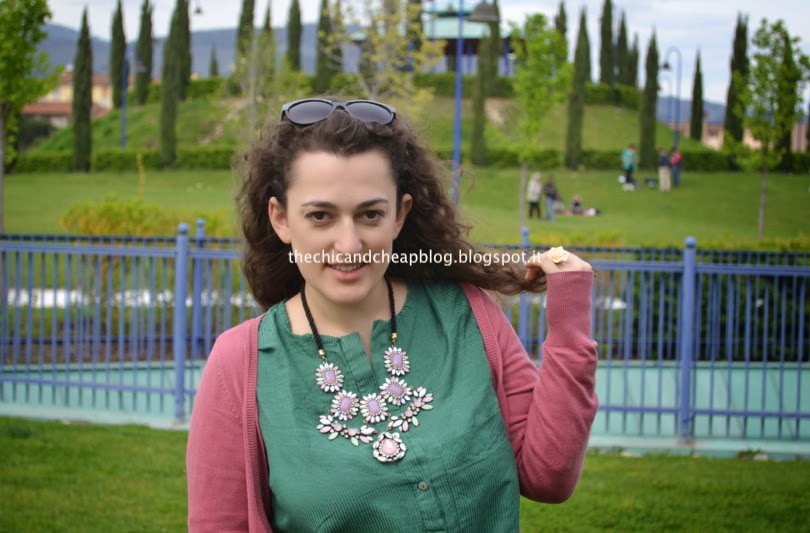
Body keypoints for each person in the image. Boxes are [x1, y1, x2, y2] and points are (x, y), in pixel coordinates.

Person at [186, 97, 598, 532]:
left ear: (399, 215)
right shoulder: (240, 363)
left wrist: (569, 326)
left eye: (371, 214)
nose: (349, 244)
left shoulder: (467, 314)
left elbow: (549, 477)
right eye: (321, 216)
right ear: (281, 219)